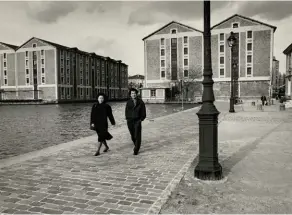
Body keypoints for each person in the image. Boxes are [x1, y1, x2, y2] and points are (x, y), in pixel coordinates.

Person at [125, 88, 146, 155]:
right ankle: (136, 144)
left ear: (136, 94)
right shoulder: (128, 102)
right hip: (130, 121)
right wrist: (127, 118)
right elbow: (126, 111)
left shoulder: (140, 102)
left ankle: (136, 149)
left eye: (134, 93)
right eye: (132, 93)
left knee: (137, 135)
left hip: (137, 120)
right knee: (132, 135)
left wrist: (141, 119)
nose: (133, 95)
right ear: (130, 95)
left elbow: (143, 111)